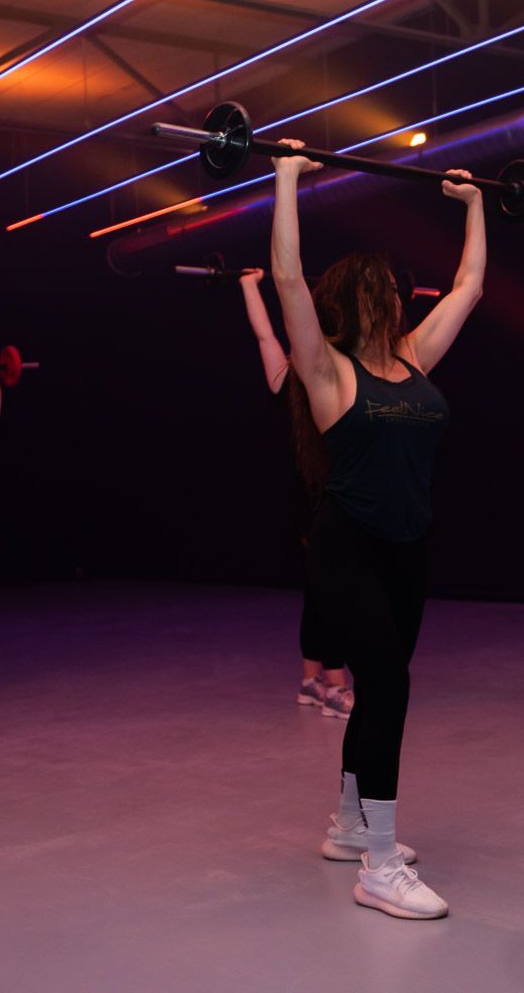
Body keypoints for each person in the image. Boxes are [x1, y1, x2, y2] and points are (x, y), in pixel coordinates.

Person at [269, 140, 484, 919]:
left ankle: (347, 827)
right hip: (347, 546)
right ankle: (380, 865)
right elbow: (288, 279)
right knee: (388, 686)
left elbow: (469, 285)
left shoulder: (415, 356)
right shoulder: (326, 371)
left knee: (376, 695)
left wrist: (474, 206)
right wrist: (287, 178)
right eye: (379, 288)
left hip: (406, 547)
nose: (393, 296)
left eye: (393, 287)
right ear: (353, 301)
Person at [236, 266, 353, 720]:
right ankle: (336, 686)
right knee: (334, 593)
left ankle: (310, 680)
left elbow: (268, 335)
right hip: (311, 505)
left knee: (319, 592)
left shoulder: (325, 378)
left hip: (315, 501)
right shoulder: (295, 380)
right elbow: (265, 335)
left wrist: (249, 286)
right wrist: (249, 286)